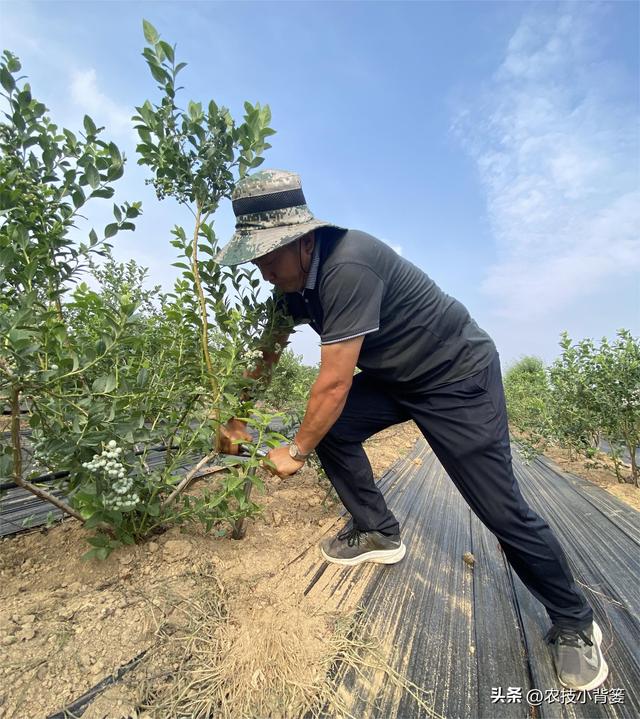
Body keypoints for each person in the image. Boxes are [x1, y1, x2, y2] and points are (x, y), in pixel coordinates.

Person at [214, 169, 608, 691]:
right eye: (255, 256)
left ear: (301, 239)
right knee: (335, 428)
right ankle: (377, 531)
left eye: (266, 254)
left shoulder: (348, 263)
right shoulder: (292, 288)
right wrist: (237, 416)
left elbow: (332, 382)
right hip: (394, 378)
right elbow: (267, 355)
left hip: (455, 377)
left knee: (499, 509)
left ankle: (576, 623)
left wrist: (295, 449)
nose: (261, 268)